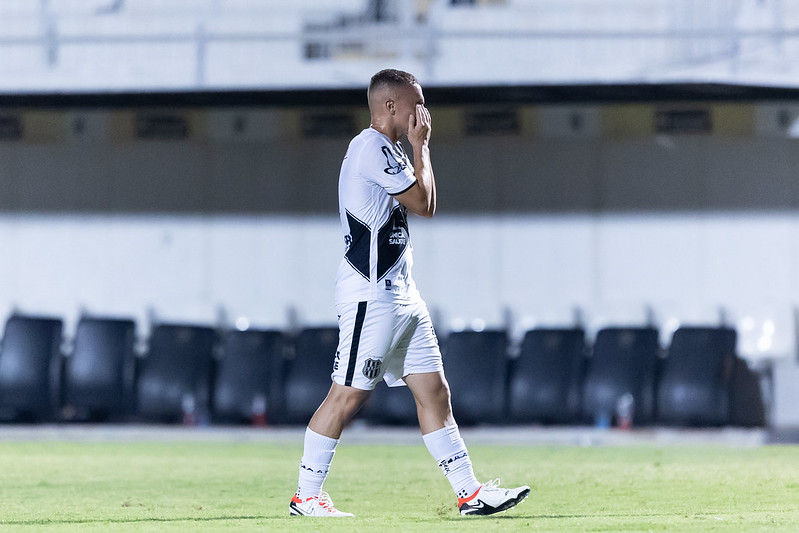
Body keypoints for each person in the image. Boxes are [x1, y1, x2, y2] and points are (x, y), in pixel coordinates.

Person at [289, 68, 530, 518]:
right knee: (347, 395)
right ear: (390, 106)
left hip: (402, 295)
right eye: (415, 102)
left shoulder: (394, 150)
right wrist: (421, 147)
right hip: (370, 293)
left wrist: (419, 149)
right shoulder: (370, 147)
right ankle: (306, 496)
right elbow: (422, 203)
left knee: (434, 391)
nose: (423, 112)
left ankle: (468, 493)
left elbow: (428, 203)